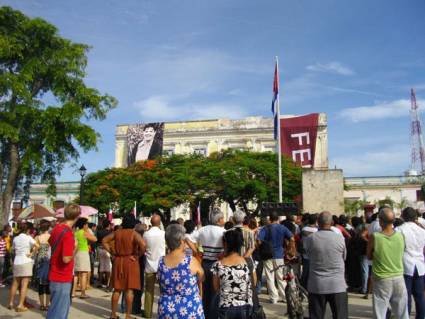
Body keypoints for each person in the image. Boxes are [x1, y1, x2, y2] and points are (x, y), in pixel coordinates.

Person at [367, 207, 408, 319]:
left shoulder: (375, 237)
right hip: (398, 276)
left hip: (382, 278)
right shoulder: (400, 236)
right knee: (402, 312)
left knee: (380, 313)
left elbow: (369, 256)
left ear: (380, 221)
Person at [305, 211, 348, 319]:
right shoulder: (340, 238)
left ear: (317, 223)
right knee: (340, 316)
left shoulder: (311, 239)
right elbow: (344, 257)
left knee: (316, 316)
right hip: (337, 284)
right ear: (332, 222)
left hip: (317, 285)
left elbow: (309, 256)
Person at [103, 214, 146, 319]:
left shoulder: (116, 233)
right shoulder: (134, 234)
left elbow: (104, 241)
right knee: (129, 290)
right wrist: (137, 256)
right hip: (130, 262)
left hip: (118, 261)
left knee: (117, 289)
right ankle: (128, 315)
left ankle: (113, 314)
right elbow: (143, 245)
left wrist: (112, 253)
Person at [157, 224, 204, 318]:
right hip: (189, 308)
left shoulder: (161, 261)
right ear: (182, 241)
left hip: (166, 308)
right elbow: (201, 277)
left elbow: (161, 285)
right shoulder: (190, 261)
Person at [46, 204, 81, 319]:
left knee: (53, 310)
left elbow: (50, 243)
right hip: (62, 276)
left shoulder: (57, 228)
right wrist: (75, 248)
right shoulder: (68, 233)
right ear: (77, 217)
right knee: (60, 313)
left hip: (54, 273)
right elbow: (66, 258)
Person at [212, 228, 255, 318]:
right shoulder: (248, 263)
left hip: (226, 306)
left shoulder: (218, 265)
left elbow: (216, 288)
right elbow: (254, 282)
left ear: (225, 244)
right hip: (246, 306)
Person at [192, 208, 226, 318]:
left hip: (204, 263)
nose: (223, 220)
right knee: (215, 292)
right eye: (222, 218)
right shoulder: (223, 232)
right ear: (219, 219)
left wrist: (197, 251)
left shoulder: (202, 230)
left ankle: (204, 314)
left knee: (204, 291)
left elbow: (189, 239)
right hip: (217, 263)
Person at [257, 211, 295, 304]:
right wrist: (289, 249)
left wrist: (261, 248)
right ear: (278, 219)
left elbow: (258, 241)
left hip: (267, 255)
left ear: (270, 219)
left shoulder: (265, 228)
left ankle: (274, 298)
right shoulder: (283, 228)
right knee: (281, 277)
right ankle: (285, 297)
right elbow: (292, 238)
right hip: (279, 255)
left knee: (270, 277)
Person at [396, 207, 425, 319]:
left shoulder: (399, 229)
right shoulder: (422, 231)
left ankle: (406, 316)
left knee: (405, 295)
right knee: (419, 295)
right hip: (420, 264)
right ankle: (421, 316)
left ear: (403, 216)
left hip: (405, 263)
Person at [8, 222, 39, 312]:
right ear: (28, 230)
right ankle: (20, 305)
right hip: (26, 262)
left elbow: (12, 249)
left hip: (17, 261)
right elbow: (38, 246)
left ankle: (10, 303)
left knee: (14, 284)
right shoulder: (29, 237)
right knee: (24, 284)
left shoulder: (16, 238)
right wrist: (31, 253)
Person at [142, 214, 166, 318]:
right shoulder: (163, 233)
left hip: (149, 264)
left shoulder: (146, 234)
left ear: (151, 223)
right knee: (163, 291)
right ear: (159, 222)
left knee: (149, 291)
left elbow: (144, 248)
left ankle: (148, 313)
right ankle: (163, 312)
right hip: (162, 264)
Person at [72, 218, 97, 298]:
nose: (87, 226)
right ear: (83, 225)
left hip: (76, 253)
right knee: (84, 274)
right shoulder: (84, 232)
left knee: (75, 274)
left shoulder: (75, 233)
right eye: (86, 224)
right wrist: (88, 232)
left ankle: (73, 292)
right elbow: (95, 239)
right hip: (83, 253)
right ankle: (83, 293)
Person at [35, 220, 51, 311]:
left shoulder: (38, 237)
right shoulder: (51, 236)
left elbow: (35, 249)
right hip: (49, 260)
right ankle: (47, 304)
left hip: (40, 260)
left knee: (41, 284)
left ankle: (41, 305)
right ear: (48, 227)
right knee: (48, 284)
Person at [300, 213, 318, 289]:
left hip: (305, 254)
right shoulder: (317, 230)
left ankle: (304, 287)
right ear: (316, 221)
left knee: (305, 272)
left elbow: (301, 240)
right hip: (315, 254)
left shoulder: (304, 229)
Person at [97, 219, 113, 289]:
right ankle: (107, 283)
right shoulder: (110, 232)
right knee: (108, 267)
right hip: (107, 249)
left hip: (100, 249)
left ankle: (100, 283)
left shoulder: (99, 232)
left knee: (101, 266)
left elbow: (97, 240)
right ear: (109, 225)